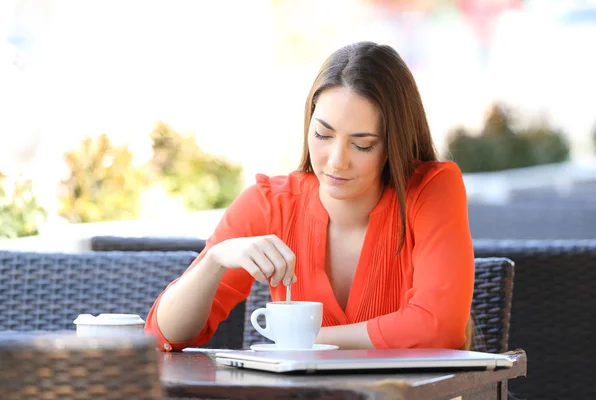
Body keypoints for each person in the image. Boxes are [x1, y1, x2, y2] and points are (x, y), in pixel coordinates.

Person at [145, 41, 475, 351]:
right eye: (322, 134)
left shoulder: (432, 189)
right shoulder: (270, 203)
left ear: (394, 145)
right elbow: (163, 335)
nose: (336, 161)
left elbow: (439, 328)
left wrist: (304, 338)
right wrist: (216, 259)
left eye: (362, 144)